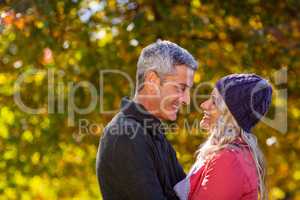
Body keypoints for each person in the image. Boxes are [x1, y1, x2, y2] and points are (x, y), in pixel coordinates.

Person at [96, 40, 198, 200]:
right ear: (152, 80)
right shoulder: (126, 135)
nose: (186, 100)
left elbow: (188, 194)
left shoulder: (154, 134)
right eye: (180, 88)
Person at [174, 74, 272, 200]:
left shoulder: (229, 159)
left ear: (231, 116)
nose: (204, 105)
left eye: (214, 102)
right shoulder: (234, 154)